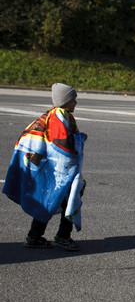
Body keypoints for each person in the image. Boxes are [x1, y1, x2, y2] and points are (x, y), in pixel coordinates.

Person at [3, 83, 87, 251]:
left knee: (48, 199)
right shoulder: (59, 116)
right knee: (67, 200)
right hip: (57, 169)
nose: (75, 103)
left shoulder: (54, 114)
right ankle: (62, 236)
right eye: (73, 100)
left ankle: (34, 236)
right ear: (64, 101)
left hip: (47, 167)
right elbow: (62, 145)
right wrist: (79, 139)